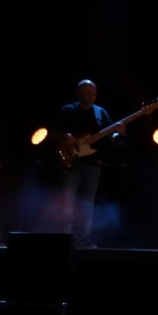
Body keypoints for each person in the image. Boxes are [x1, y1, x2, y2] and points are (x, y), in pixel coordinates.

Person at [50, 79, 124, 248]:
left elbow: (111, 138)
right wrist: (66, 136)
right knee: (68, 199)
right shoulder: (67, 110)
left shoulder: (100, 112)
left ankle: (84, 236)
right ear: (78, 93)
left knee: (88, 202)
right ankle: (65, 236)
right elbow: (52, 132)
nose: (91, 96)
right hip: (70, 161)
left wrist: (118, 134)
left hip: (93, 162)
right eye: (87, 92)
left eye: (93, 93)